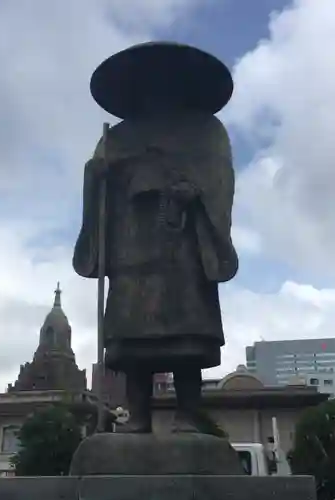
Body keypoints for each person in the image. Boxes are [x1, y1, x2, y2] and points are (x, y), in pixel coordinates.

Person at [73, 110, 238, 433]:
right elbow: (98, 182)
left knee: (187, 338)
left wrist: (196, 191)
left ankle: (188, 414)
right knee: (133, 340)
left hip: (184, 245)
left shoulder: (204, 130)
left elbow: (218, 177)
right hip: (131, 243)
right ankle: (138, 416)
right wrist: (96, 175)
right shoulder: (116, 138)